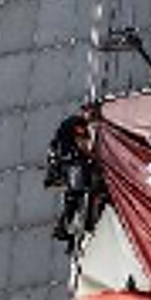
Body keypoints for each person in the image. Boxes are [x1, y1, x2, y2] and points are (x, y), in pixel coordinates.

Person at [46, 101, 105, 251]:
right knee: (77, 192)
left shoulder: (75, 125)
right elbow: (82, 147)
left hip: (63, 161)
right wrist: (95, 159)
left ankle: (68, 230)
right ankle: (67, 230)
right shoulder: (76, 123)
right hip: (66, 162)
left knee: (76, 195)